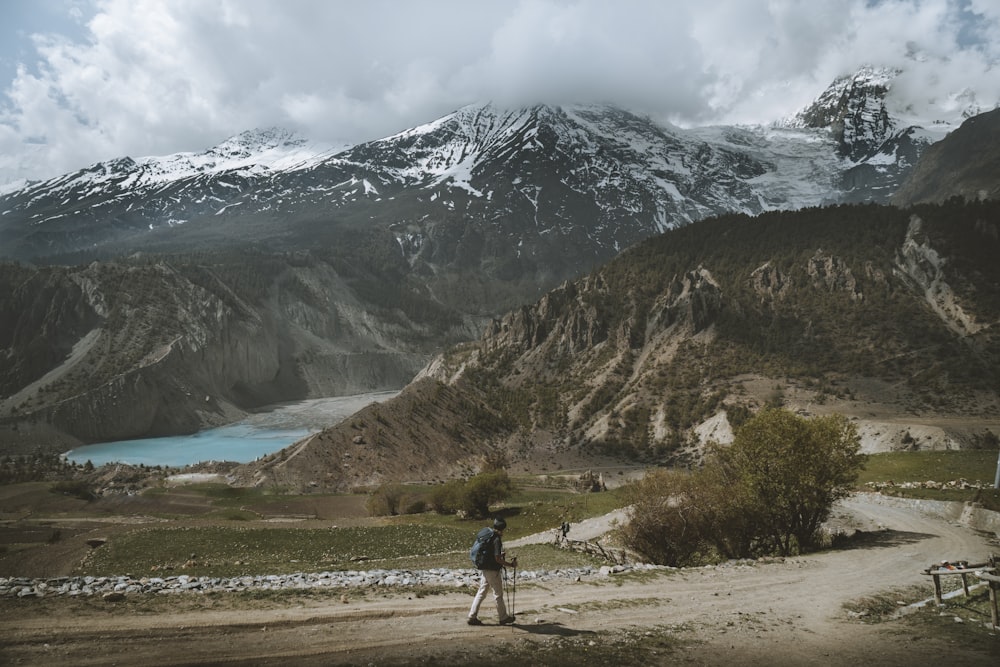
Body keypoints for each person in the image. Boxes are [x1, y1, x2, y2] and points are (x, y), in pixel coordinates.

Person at [467, 517, 517, 626]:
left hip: (484, 568)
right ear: (502, 528)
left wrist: (500, 556)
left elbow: (493, 554)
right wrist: (511, 565)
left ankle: (472, 616)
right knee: (498, 594)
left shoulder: (488, 534)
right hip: (492, 570)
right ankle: (503, 618)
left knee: (482, 592)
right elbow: (497, 559)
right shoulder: (496, 539)